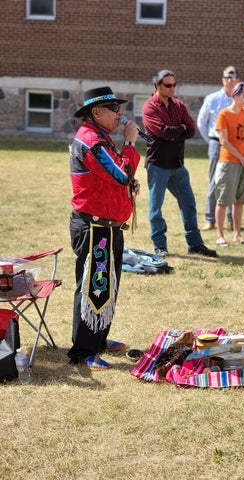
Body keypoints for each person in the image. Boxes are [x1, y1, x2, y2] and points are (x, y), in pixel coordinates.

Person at [68, 86, 141, 370]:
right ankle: (83, 352)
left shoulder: (102, 138)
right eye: (114, 109)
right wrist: (131, 143)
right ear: (96, 112)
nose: (119, 114)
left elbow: (118, 178)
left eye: (118, 108)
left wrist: (129, 184)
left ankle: (98, 339)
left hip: (108, 227)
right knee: (92, 288)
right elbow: (121, 172)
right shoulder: (91, 141)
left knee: (106, 286)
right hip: (94, 227)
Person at [142, 69, 217, 258]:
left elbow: (191, 130)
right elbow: (163, 131)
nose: (172, 88)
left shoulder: (179, 105)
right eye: (168, 85)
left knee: (189, 203)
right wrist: (179, 130)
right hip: (158, 164)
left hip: (177, 165)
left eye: (174, 85)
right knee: (156, 207)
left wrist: (179, 130)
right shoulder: (150, 107)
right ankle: (160, 245)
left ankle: (195, 244)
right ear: (158, 86)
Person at [197, 66, 240, 231]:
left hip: (235, 145)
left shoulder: (239, 100)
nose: (230, 80)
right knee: (214, 181)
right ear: (222, 80)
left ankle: (230, 219)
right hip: (216, 143)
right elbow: (202, 123)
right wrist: (212, 141)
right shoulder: (212, 98)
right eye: (227, 77)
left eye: (233, 77)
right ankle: (210, 219)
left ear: (237, 80)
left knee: (232, 181)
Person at [214, 82, 244, 247]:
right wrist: (241, 157)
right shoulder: (224, 114)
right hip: (228, 162)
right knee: (223, 200)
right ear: (236, 95)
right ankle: (220, 235)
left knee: (239, 201)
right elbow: (224, 141)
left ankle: (237, 234)